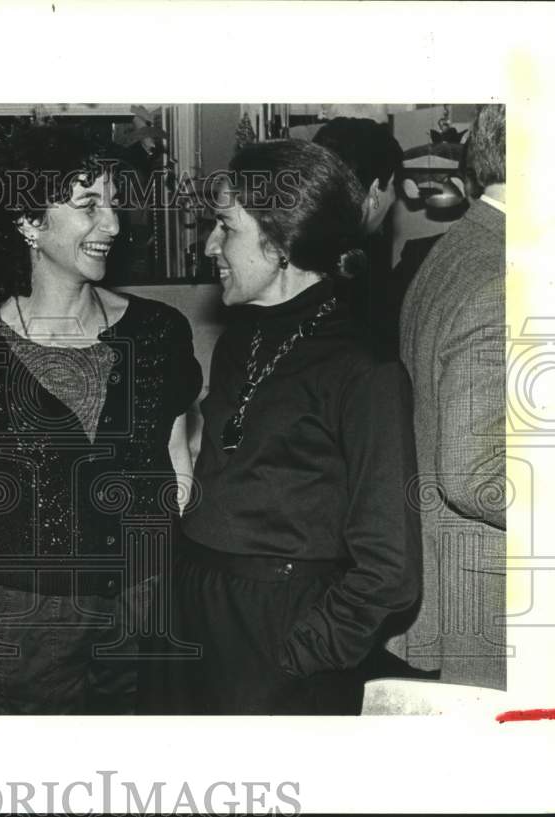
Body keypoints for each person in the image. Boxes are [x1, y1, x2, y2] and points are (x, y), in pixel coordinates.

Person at [0, 123, 202, 714]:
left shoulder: (158, 334)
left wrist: (157, 573)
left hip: (147, 613)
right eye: (87, 205)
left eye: (113, 203)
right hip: (27, 624)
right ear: (29, 223)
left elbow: (178, 461)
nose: (112, 224)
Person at [150, 140, 421, 715]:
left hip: (278, 635)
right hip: (195, 616)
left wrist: (304, 651)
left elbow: (390, 567)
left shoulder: (364, 370)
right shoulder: (238, 340)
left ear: (280, 240)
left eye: (226, 227)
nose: (210, 246)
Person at [386, 104, 507, 690]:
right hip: (496, 597)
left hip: (460, 582)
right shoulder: (503, 271)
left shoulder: (463, 245)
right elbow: (475, 473)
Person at [313, 117, 404, 359]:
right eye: (394, 186)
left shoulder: (297, 249)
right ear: (375, 190)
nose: (395, 198)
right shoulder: (365, 275)